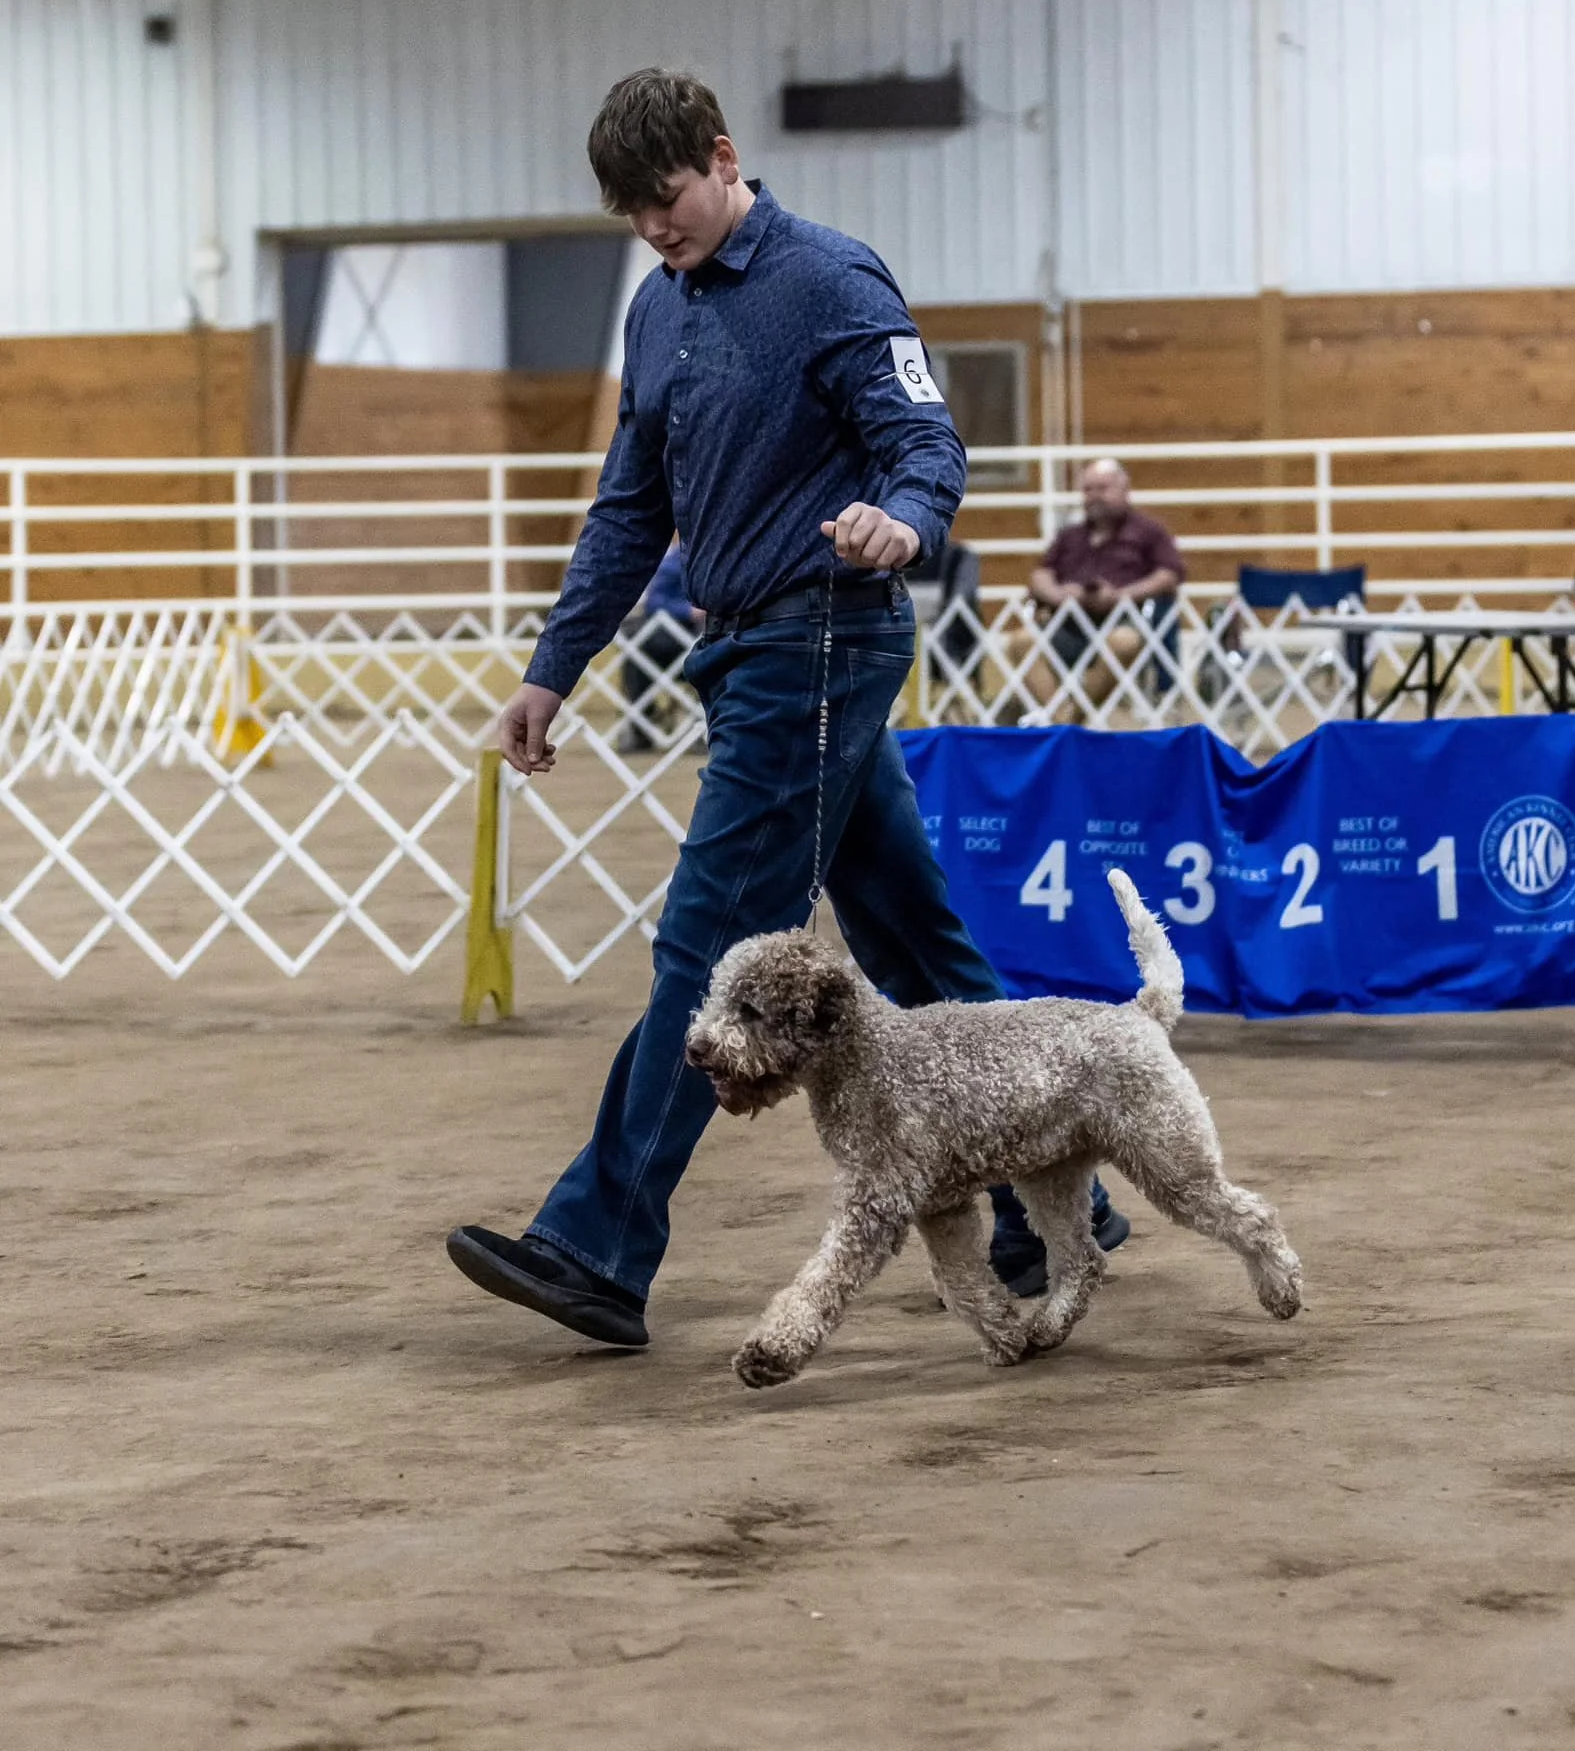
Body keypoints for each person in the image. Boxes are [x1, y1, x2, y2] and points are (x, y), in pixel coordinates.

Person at [446, 69, 1124, 1347]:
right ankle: (1058, 1197)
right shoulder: (656, 317)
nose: (655, 227)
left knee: (705, 947)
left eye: (667, 198)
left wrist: (902, 520)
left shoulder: (833, 279)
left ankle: (599, 1239)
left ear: (721, 155)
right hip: (744, 651)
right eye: (631, 213)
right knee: (913, 937)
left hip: (822, 640)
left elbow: (931, 446)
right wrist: (552, 667)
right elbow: (626, 516)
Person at [1006, 456, 1185, 718]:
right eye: (1088, 490)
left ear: (1124, 491)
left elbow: (1168, 575)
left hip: (1124, 620)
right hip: (1068, 624)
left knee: (1124, 641)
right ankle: (1060, 719)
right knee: (1021, 641)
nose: (1094, 496)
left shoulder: (1149, 532)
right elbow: (1040, 575)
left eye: (1102, 489)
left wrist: (1120, 596)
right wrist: (1059, 594)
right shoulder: (1069, 536)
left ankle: (1074, 719)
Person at [614, 538, 703, 754]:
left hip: (703, 638)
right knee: (637, 652)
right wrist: (689, 611)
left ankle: (702, 730)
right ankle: (641, 728)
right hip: (675, 638)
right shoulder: (674, 561)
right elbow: (655, 602)